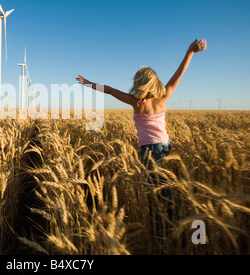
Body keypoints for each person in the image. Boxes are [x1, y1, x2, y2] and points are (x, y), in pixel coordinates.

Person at [77, 38, 207, 205]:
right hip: (166, 145)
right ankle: (169, 206)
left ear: (138, 84)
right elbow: (178, 73)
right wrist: (190, 51)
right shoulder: (163, 97)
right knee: (163, 180)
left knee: (155, 185)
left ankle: (165, 210)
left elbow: (109, 90)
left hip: (149, 149)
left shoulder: (135, 101)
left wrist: (88, 83)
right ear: (155, 82)